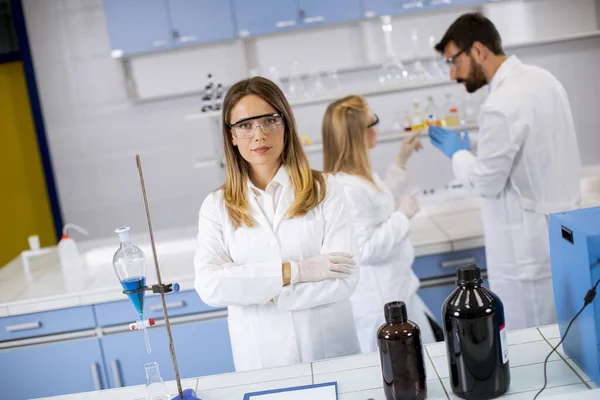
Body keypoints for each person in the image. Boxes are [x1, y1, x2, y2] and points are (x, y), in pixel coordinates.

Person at [193, 77, 361, 372]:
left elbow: (344, 278)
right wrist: (295, 271)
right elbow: (210, 286)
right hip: (262, 362)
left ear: (286, 125)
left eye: (269, 120)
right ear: (231, 136)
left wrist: (252, 290)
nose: (258, 135)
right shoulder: (216, 207)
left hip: (328, 355)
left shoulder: (326, 189)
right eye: (245, 125)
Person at [429, 13, 581, 330]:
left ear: (479, 50)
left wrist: (457, 153)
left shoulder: (501, 103)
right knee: (568, 336)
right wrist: (473, 141)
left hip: (525, 257)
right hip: (562, 240)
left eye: (454, 61)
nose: (452, 74)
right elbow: (532, 145)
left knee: (532, 346)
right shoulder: (544, 80)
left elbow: (486, 182)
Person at [322, 95, 436, 353]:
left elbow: (378, 204)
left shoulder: (360, 175)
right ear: (355, 134)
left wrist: (401, 161)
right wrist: (402, 215)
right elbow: (366, 249)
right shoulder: (346, 187)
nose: (377, 127)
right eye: (372, 122)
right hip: (381, 308)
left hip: (398, 293)